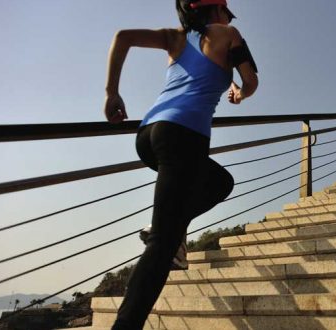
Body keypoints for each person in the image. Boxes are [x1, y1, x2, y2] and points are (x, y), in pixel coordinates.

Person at [103, 0, 258, 328]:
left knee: (219, 183)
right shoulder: (228, 34)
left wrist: (111, 93)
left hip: (149, 134)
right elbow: (252, 80)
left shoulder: (175, 37)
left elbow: (123, 36)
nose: (228, 18)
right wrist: (240, 94)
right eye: (227, 12)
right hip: (185, 136)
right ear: (216, 11)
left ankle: (172, 231)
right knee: (162, 241)